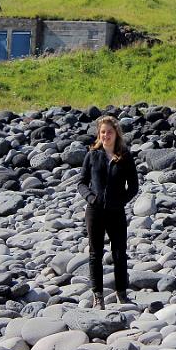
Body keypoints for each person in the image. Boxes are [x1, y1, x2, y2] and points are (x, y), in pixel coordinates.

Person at [77, 116, 139, 309]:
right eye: (103, 132)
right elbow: (81, 182)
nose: (106, 135)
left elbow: (134, 186)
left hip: (116, 212)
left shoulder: (125, 156)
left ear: (116, 133)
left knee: (119, 254)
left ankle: (122, 294)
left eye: (109, 132)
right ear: (99, 134)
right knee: (95, 254)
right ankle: (98, 297)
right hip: (95, 211)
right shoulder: (92, 155)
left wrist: (120, 201)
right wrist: (91, 198)